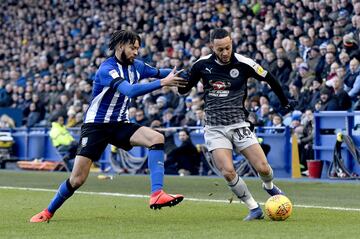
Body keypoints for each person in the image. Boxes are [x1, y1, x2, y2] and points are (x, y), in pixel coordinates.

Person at [30, 30, 187, 223]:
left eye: (138, 48)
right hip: (96, 126)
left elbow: (163, 72)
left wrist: (193, 74)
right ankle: (48, 212)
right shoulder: (107, 69)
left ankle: (157, 194)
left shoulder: (137, 66)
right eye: (133, 48)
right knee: (77, 179)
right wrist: (163, 83)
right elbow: (129, 91)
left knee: (157, 138)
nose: (136, 52)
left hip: (119, 123)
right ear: (120, 46)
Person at [178, 28, 295, 221]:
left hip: (239, 125)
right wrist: (177, 82)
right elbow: (185, 91)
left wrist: (284, 102)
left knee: (263, 168)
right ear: (212, 47)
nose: (225, 53)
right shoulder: (201, 65)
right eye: (220, 49)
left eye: (228, 47)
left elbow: (269, 78)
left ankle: (269, 186)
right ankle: (254, 208)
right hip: (214, 128)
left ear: (232, 43)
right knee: (228, 171)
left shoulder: (245, 63)